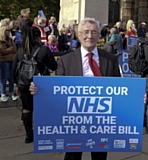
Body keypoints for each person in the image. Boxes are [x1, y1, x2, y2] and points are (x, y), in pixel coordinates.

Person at [30, 17, 121, 160]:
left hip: (101, 121)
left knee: (100, 156)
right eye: (85, 32)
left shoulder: (111, 59)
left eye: (93, 32)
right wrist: (40, 90)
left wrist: (137, 97)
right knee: (72, 156)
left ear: (99, 35)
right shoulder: (66, 60)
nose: (89, 36)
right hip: (74, 120)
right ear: (78, 35)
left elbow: (120, 90)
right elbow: (57, 90)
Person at [13, 22, 57, 143]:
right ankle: (43, 133)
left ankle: (29, 134)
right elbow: (54, 66)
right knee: (42, 109)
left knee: (27, 108)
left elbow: (14, 70)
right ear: (38, 37)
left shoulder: (20, 51)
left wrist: (17, 85)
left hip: (24, 83)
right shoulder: (44, 50)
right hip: (42, 83)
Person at [0, 25, 18, 102]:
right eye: (7, 31)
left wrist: (9, 49)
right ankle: (3, 93)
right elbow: (2, 51)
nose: (9, 32)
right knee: (4, 77)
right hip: (3, 60)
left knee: (11, 77)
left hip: (11, 59)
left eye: (9, 31)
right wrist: (10, 49)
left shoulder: (10, 39)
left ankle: (11, 93)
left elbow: (15, 49)